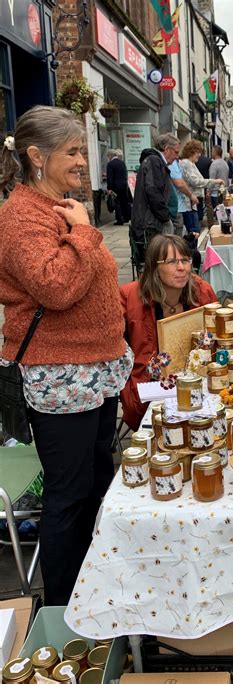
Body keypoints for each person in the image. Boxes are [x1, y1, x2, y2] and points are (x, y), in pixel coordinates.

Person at [0, 106, 133, 605]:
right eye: (72, 151)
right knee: (69, 496)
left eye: (83, 150)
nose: (83, 161)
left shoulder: (62, 205)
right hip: (62, 377)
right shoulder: (21, 216)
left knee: (98, 479)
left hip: (94, 371)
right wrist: (83, 232)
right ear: (37, 157)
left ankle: (97, 581)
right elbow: (56, 287)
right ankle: (62, 608)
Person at [120, 234, 217, 431]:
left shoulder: (202, 291)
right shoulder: (129, 297)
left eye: (184, 260)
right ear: (154, 268)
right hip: (150, 384)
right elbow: (115, 349)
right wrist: (128, 386)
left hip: (197, 377)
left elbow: (217, 337)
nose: (181, 268)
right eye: (172, 261)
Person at [130, 133, 180, 246]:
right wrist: (165, 217)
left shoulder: (156, 162)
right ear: (167, 149)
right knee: (157, 257)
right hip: (150, 223)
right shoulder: (154, 161)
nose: (177, 156)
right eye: (176, 152)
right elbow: (154, 192)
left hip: (151, 221)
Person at [179, 140, 223, 235]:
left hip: (192, 202)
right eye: (198, 152)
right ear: (191, 152)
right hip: (188, 203)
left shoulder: (191, 163)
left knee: (195, 229)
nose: (199, 155)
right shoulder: (186, 163)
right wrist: (214, 181)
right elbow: (195, 181)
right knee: (194, 231)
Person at [168, 159, 198, 237]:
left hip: (180, 205)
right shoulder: (172, 163)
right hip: (177, 206)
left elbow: (181, 181)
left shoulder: (176, 162)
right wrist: (191, 195)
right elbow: (179, 184)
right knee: (178, 236)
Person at [106, 148, 130, 225]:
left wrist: (109, 188)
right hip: (124, 185)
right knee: (124, 201)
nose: (108, 158)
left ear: (110, 156)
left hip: (115, 187)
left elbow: (110, 177)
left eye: (108, 156)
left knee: (117, 203)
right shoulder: (122, 163)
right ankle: (127, 217)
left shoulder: (110, 164)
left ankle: (119, 220)